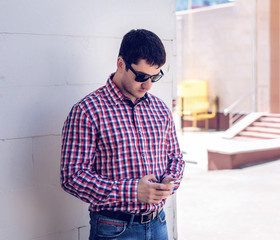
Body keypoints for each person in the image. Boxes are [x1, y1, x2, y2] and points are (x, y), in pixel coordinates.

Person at [60, 29, 185, 240]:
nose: (148, 85)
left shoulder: (160, 108)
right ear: (121, 64)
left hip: (159, 223)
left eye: (156, 76)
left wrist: (171, 180)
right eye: (142, 76)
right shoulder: (87, 110)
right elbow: (72, 177)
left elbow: (175, 158)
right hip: (114, 229)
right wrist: (132, 190)